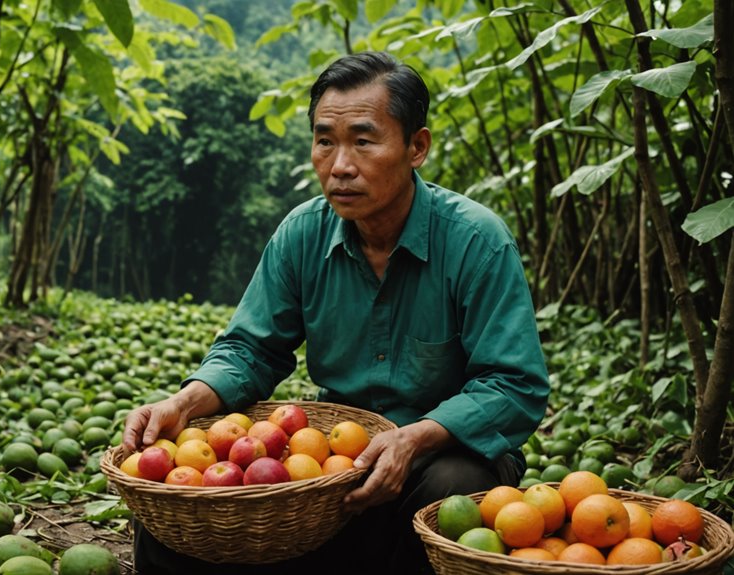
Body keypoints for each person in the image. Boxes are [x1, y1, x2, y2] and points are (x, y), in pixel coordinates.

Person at [122, 51, 550, 574]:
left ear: (417, 147)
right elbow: (251, 349)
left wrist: (413, 438)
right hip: (331, 460)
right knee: (177, 515)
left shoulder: (475, 241)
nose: (340, 165)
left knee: (452, 490)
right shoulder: (302, 234)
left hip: (441, 452)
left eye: (363, 141)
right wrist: (184, 402)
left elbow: (513, 385)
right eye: (325, 141)